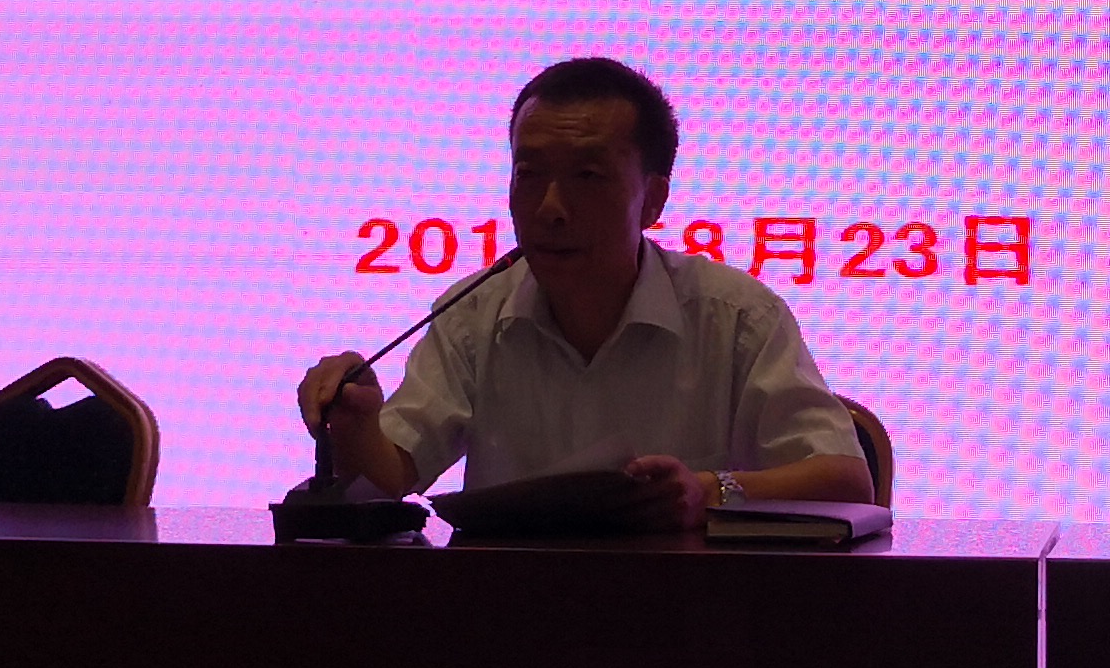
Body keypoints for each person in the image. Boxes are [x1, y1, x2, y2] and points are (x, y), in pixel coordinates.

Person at [297, 56, 874, 531]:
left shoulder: (736, 317)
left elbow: (847, 481)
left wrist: (708, 491)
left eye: (587, 177)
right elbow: (397, 472)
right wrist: (356, 424)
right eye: (529, 175)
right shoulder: (473, 313)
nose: (550, 208)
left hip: (689, 611)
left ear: (652, 200)